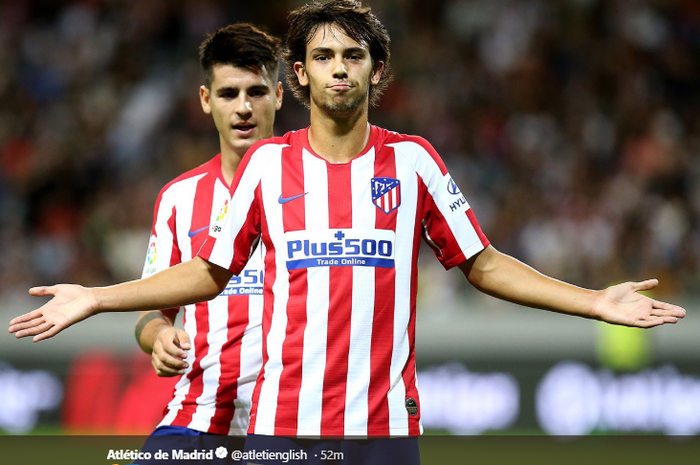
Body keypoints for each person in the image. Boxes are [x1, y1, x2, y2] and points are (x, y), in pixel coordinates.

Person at [9, 1, 686, 463]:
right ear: (299, 75)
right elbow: (209, 271)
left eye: (354, 54)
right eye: (324, 55)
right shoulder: (270, 166)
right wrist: (100, 297)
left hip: (385, 431)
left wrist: (594, 300)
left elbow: (483, 263)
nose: (340, 67)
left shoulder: (414, 160)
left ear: (376, 70)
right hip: (281, 428)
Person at [134, 22, 283, 438]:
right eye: (228, 93)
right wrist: (160, 337)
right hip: (199, 415)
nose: (243, 108)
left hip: (290, 423)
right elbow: (150, 312)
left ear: (279, 95)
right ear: (206, 99)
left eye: (256, 92)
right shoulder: (178, 199)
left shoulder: (318, 187)